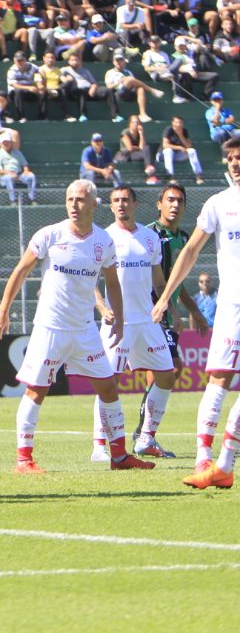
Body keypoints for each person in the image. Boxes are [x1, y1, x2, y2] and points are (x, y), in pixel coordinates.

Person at [0, 179, 154, 474]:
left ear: (93, 203)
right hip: (51, 328)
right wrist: (3, 310)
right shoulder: (50, 235)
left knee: (108, 387)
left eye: (80, 199)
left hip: (85, 330)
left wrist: (119, 318)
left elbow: (112, 283)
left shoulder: (103, 241)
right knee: (37, 390)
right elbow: (20, 271)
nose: (74, 205)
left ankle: (119, 456)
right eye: (69, 199)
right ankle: (24, 459)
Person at [153, 138, 240, 487]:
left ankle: (225, 464)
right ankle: (204, 458)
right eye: (230, 158)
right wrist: (166, 296)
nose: (235, 163)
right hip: (232, 305)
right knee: (219, 377)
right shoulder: (219, 203)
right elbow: (189, 251)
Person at [86, 186, 175, 462]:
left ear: (135, 204)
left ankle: (146, 438)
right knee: (108, 382)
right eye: (116, 201)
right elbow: (89, 279)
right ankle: (99, 447)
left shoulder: (150, 237)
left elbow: (158, 280)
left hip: (147, 321)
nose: (121, 204)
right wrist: (102, 307)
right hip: (118, 323)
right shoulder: (103, 237)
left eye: (125, 200)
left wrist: (169, 307)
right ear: (110, 206)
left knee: (167, 376)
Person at [132, 183, 207, 443]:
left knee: (167, 369)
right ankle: (141, 431)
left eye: (180, 201)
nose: (175, 205)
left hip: (166, 313)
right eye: (170, 200)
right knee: (171, 368)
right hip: (151, 312)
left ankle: (143, 432)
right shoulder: (149, 235)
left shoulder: (184, 238)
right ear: (159, 204)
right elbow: (158, 282)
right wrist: (172, 311)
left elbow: (177, 282)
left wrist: (194, 311)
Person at [0, 133, 38, 204]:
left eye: (8, 142)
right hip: (5, 177)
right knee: (8, 178)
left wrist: (26, 171)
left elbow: (24, 164)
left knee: (31, 176)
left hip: (19, 175)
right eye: (4, 142)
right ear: (0, 144)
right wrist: (10, 173)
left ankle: (33, 199)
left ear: (11, 142)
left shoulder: (17, 152)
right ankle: (13, 200)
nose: (6, 144)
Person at [161, 116, 207, 185]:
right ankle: (170, 176)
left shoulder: (184, 131)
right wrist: (179, 147)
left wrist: (180, 135)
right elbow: (165, 145)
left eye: (180, 123)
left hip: (178, 156)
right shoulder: (168, 130)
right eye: (176, 122)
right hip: (164, 156)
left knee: (192, 151)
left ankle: (198, 175)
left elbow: (188, 146)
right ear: (173, 123)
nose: (178, 124)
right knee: (168, 151)